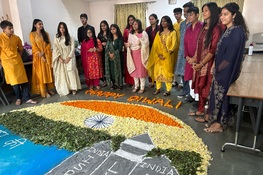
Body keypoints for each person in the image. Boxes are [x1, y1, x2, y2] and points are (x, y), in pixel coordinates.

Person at [204, 2, 248, 133]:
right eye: (221, 14)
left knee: (222, 96)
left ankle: (220, 124)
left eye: (226, 14)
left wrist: (218, 68)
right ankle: (216, 121)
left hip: (226, 71)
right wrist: (215, 65)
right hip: (221, 69)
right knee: (217, 95)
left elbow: (229, 57)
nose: (222, 17)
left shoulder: (237, 31)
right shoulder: (228, 29)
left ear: (234, 15)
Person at [189, 2, 221, 117]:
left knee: (207, 88)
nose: (203, 12)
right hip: (199, 62)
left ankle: (208, 115)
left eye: (206, 10)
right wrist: (194, 59)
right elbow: (199, 45)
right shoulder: (204, 27)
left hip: (208, 63)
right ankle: (200, 110)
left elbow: (213, 50)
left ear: (213, 11)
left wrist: (201, 64)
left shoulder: (216, 28)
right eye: (203, 10)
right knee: (200, 87)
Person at [0, 20, 37, 105]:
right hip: (7, 63)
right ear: (4, 30)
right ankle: (18, 98)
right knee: (14, 82)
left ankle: (27, 98)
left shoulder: (16, 38)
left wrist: (18, 57)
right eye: (9, 28)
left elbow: (21, 49)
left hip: (17, 62)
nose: (12, 30)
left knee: (23, 80)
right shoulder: (0, 38)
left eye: (12, 28)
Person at [147, 16, 177, 96]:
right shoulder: (159, 33)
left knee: (167, 73)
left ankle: (168, 90)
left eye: (165, 21)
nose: (163, 23)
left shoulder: (172, 32)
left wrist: (167, 53)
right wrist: (159, 55)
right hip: (158, 57)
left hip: (168, 57)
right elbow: (155, 46)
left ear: (169, 22)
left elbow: (174, 45)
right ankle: (158, 88)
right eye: (162, 21)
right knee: (158, 72)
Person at [52, 22, 81, 96]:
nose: (62, 29)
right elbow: (55, 48)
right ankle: (67, 88)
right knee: (63, 74)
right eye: (60, 27)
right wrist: (59, 58)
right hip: (61, 57)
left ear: (65, 28)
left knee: (71, 72)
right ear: (59, 28)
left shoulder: (70, 37)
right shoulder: (56, 38)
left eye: (63, 27)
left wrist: (69, 57)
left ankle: (74, 88)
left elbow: (72, 48)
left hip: (70, 57)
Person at [30, 19, 55, 98]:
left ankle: (48, 89)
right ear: (35, 25)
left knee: (48, 73)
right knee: (42, 74)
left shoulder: (46, 33)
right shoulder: (32, 34)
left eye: (42, 24)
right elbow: (33, 46)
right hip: (38, 57)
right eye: (39, 24)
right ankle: (43, 91)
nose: (41, 26)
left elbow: (48, 44)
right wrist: (40, 54)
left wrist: (44, 52)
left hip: (46, 56)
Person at [184, 7, 203, 103]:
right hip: (189, 58)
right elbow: (185, 43)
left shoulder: (202, 27)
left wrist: (195, 58)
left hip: (199, 58)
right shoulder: (188, 29)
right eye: (188, 15)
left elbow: (203, 44)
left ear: (197, 15)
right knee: (190, 76)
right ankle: (192, 95)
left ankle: (198, 98)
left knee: (198, 78)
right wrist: (187, 56)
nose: (189, 17)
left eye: (191, 14)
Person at [175, 2, 194, 96]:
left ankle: (191, 92)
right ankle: (185, 90)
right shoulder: (182, 24)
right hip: (181, 50)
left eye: (187, 11)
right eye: (184, 11)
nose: (185, 13)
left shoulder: (194, 23)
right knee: (182, 72)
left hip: (190, 52)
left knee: (189, 72)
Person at [125, 19, 149, 94]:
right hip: (133, 54)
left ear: (139, 24)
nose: (134, 26)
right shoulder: (131, 34)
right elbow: (129, 43)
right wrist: (127, 45)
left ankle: (142, 87)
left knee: (141, 71)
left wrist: (141, 42)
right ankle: (136, 86)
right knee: (134, 70)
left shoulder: (143, 33)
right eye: (133, 24)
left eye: (136, 24)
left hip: (141, 54)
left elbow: (147, 43)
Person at [105, 24, 124, 90]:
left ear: (117, 29)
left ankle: (119, 84)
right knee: (112, 71)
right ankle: (113, 83)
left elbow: (120, 48)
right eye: (111, 29)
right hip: (110, 58)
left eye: (114, 29)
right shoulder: (109, 39)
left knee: (118, 70)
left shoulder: (120, 38)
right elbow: (107, 48)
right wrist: (109, 54)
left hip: (118, 57)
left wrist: (114, 54)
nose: (112, 30)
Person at [145, 13, 160, 88]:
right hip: (150, 49)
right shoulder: (147, 29)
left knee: (157, 66)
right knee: (151, 66)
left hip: (158, 50)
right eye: (150, 19)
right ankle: (151, 82)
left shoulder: (160, 28)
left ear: (156, 19)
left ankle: (158, 81)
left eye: (152, 19)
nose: (151, 20)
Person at [123, 15, 135, 86]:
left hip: (135, 50)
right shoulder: (126, 30)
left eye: (132, 20)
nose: (131, 21)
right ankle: (129, 81)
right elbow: (124, 40)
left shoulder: (136, 29)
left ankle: (135, 81)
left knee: (135, 65)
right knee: (128, 64)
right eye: (129, 20)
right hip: (127, 50)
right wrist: (126, 45)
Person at [172, 7, 183, 84]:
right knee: (174, 63)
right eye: (175, 14)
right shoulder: (174, 25)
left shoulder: (184, 23)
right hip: (175, 47)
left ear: (181, 14)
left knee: (182, 63)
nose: (176, 15)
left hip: (182, 47)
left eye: (178, 14)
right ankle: (175, 80)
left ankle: (182, 82)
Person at [97, 20, 110, 87]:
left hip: (110, 52)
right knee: (104, 66)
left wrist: (106, 44)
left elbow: (113, 41)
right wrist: (102, 45)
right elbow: (98, 44)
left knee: (110, 66)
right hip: (103, 53)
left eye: (104, 25)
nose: (103, 27)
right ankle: (105, 81)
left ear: (107, 25)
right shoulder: (99, 35)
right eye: (102, 26)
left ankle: (111, 81)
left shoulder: (110, 33)